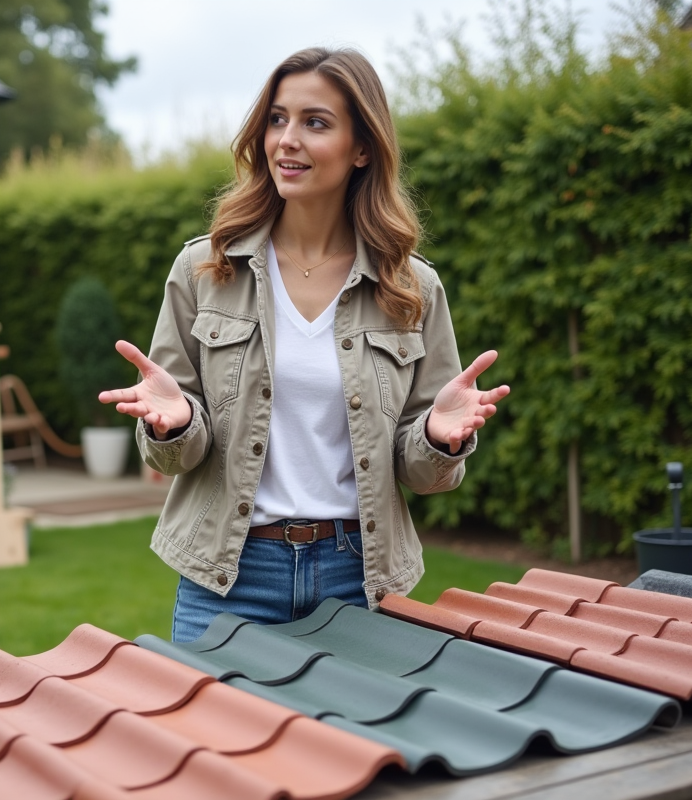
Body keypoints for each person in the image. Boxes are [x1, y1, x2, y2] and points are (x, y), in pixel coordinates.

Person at [99, 47, 510, 643]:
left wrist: (437, 441)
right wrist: (175, 424)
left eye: (315, 122)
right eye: (277, 118)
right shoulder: (205, 270)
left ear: (362, 147)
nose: (287, 139)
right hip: (228, 579)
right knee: (212, 738)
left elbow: (421, 473)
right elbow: (173, 457)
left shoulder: (412, 287)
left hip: (357, 577)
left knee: (353, 739)